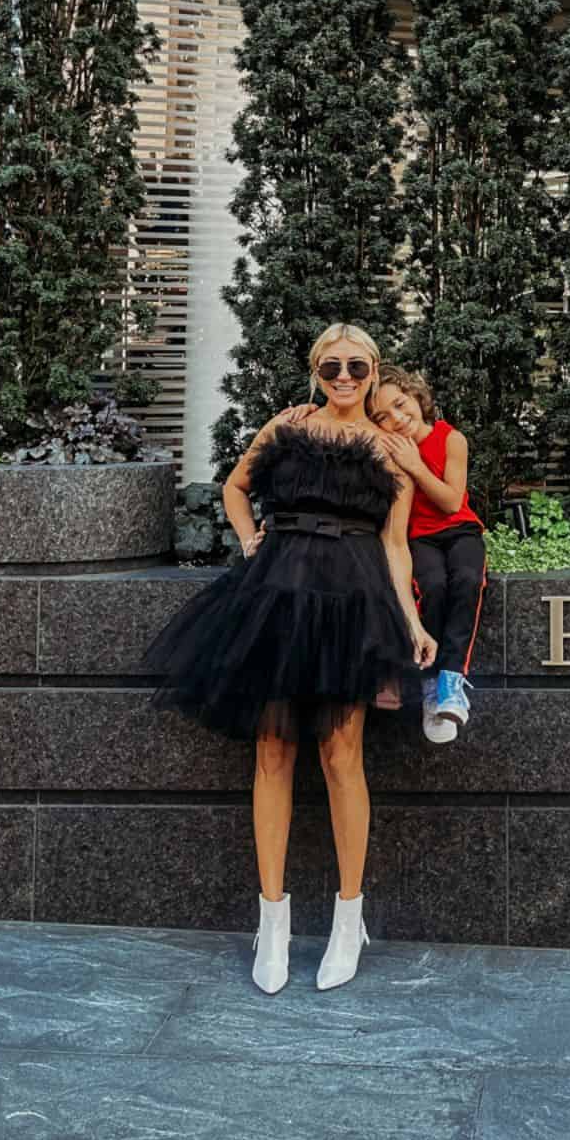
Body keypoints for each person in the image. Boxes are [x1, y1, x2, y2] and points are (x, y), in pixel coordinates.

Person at [142, 323, 437, 995]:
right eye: (331, 365)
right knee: (272, 751)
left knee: (341, 757)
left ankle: (347, 920)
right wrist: (249, 541)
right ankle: (271, 922)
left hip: (352, 600)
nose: (344, 376)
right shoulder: (286, 426)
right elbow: (235, 488)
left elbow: (395, 545)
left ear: (373, 370)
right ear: (314, 368)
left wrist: (412, 619)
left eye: (357, 367)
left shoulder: (389, 450)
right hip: (277, 593)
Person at [369, 363, 487, 745]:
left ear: (417, 397)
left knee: (468, 581)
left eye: (401, 405)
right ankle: (432, 684)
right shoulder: (385, 450)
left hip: (460, 531)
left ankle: (453, 679)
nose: (398, 419)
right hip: (418, 538)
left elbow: (452, 502)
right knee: (433, 586)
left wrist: (415, 466)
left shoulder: (451, 438)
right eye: (383, 417)